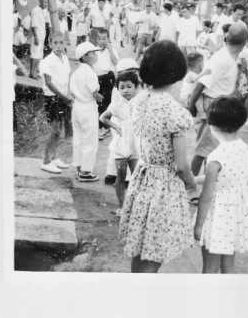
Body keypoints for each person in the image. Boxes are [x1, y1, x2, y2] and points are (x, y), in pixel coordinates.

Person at [119, 41, 196, 273]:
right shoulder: (174, 112)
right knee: (155, 251)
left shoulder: (139, 100)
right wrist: (192, 184)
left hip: (142, 177)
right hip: (164, 186)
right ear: (177, 72)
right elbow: (182, 165)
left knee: (141, 246)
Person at [194, 97, 248, 273]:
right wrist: (194, 180)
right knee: (228, 265)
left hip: (217, 216)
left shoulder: (215, 157)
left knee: (209, 267)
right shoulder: (243, 148)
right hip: (235, 215)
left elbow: (207, 195)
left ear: (212, 125)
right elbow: (227, 178)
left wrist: (199, 225)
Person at [187, 23, 248, 179]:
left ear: (227, 38)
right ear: (244, 42)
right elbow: (201, 84)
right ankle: (189, 188)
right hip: (213, 106)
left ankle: (209, 184)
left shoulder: (228, 56)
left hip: (221, 105)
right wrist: (191, 106)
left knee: (213, 149)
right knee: (202, 149)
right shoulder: (222, 59)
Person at [100, 71, 140, 216]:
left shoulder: (140, 103)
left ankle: (135, 206)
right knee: (121, 175)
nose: (126, 90)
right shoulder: (116, 105)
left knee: (136, 177)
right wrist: (116, 127)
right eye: (122, 87)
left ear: (136, 87)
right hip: (122, 144)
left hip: (135, 144)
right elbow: (103, 117)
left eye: (129, 87)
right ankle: (122, 206)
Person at [39, 32, 73, 174]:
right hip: (53, 98)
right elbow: (49, 83)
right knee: (54, 130)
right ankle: (46, 161)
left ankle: (54, 158)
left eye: (61, 43)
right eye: (55, 43)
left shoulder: (65, 58)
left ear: (65, 43)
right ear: (50, 44)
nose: (58, 46)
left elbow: (67, 78)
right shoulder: (47, 61)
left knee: (59, 130)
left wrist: (68, 94)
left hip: (63, 97)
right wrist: (64, 97)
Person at [69, 41, 103, 182]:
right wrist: (100, 97)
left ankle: (78, 167)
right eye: (93, 53)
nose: (95, 55)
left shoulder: (76, 72)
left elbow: (71, 90)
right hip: (87, 107)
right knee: (90, 139)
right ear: (84, 57)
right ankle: (86, 171)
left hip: (77, 106)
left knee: (78, 138)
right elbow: (94, 92)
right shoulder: (90, 73)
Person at [94, 29, 119, 140]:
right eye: (99, 39)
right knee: (99, 103)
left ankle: (105, 128)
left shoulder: (111, 50)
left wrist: (110, 50)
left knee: (107, 102)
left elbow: (115, 62)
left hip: (108, 77)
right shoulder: (94, 50)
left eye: (104, 39)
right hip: (97, 78)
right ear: (96, 40)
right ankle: (101, 127)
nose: (102, 41)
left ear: (108, 39)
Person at [29, 0, 48, 79]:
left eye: (47, 3)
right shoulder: (36, 11)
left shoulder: (42, 12)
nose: (46, 5)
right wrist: (36, 37)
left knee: (39, 55)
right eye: (45, 3)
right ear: (40, 2)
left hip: (41, 36)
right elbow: (34, 25)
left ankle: (35, 72)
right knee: (34, 54)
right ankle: (32, 73)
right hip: (36, 36)